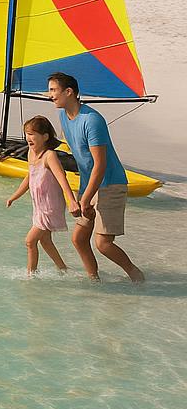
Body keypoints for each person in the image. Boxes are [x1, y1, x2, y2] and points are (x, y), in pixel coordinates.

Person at [48, 72, 145, 282]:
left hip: (110, 185)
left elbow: (100, 165)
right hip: (88, 186)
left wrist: (84, 199)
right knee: (79, 239)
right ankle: (94, 280)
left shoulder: (92, 120)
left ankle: (137, 277)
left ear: (69, 92)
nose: (50, 95)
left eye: (53, 90)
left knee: (103, 244)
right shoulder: (64, 117)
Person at [6, 116, 81, 276]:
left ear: (45, 137)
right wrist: (15, 196)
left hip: (50, 206)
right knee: (45, 240)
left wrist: (72, 201)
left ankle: (31, 275)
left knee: (30, 241)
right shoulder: (31, 154)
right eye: (26, 134)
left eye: (32, 134)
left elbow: (62, 178)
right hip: (39, 205)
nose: (28, 138)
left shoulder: (49, 156)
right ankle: (63, 269)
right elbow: (30, 177)